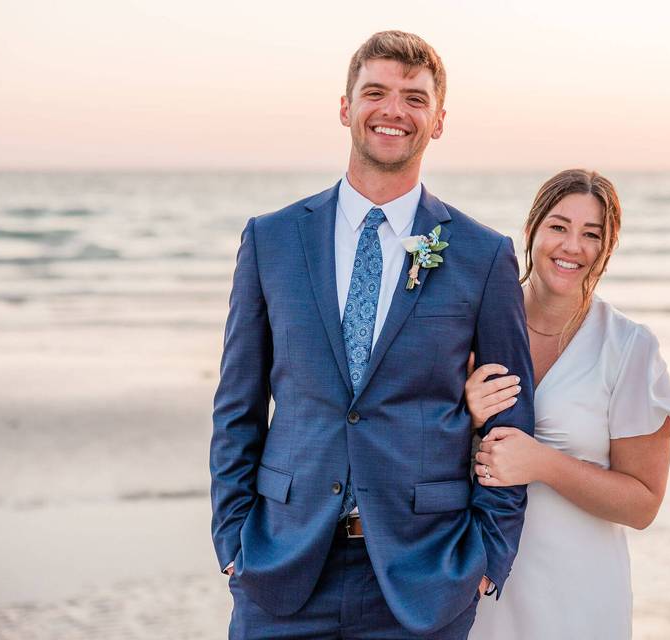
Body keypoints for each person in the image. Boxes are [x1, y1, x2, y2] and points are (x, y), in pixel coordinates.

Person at [210, 31, 535, 639]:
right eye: (376, 92)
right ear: (345, 108)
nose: (393, 111)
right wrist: (231, 537)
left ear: (438, 121)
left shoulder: (482, 255)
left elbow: (510, 417)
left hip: (423, 573)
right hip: (280, 566)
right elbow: (238, 404)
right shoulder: (271, 240)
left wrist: (490, 553)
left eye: (415, 99)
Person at [466, 169, 670, 639]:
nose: (573, 246)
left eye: (592, 234)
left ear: (606, 249)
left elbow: (643, 504)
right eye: (559, 226)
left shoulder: (629, 348)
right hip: (475, 581)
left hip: (579, 593)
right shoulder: (472, 328)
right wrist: (462, 414)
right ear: (531, 230)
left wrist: (543, 463)